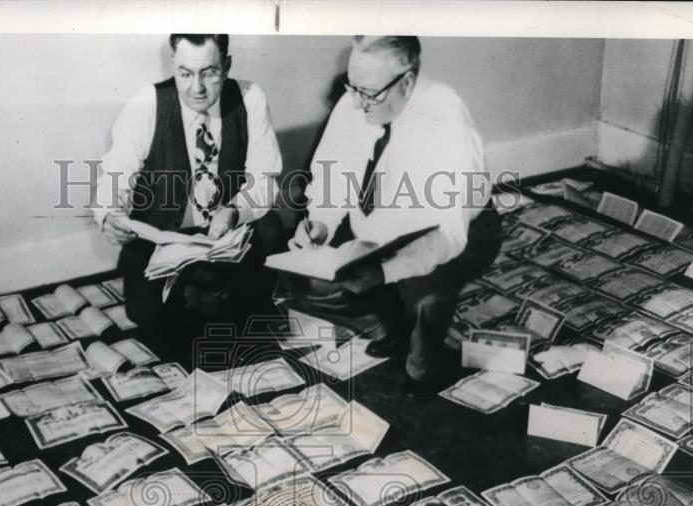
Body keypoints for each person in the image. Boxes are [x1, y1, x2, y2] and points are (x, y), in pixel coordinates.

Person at [289, 36, 502, 394]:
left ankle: (424, 350)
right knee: (310, 284)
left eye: (369, 93)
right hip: (375, 234)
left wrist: (385, 271)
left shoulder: (445, 113)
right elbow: (332, 181)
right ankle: (393, 323)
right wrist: (321, 224)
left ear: (407, 80)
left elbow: (448, 234)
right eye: (352, 87)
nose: (357, 103)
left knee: (425, 296)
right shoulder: (356, 100)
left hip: (447, 235)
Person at [93, 34, 284, 342]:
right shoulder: (147, 103)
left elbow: (266, 178)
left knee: (267, 238)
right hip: (163, 237)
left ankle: (233, 301)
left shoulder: (250, 97)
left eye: (209, 73)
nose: (196, 88)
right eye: (185, 74)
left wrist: (236, 209)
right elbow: (115, 172)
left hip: (225, 234)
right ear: (173, 66)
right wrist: (109, 215)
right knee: (151, 321)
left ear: (227, 65)